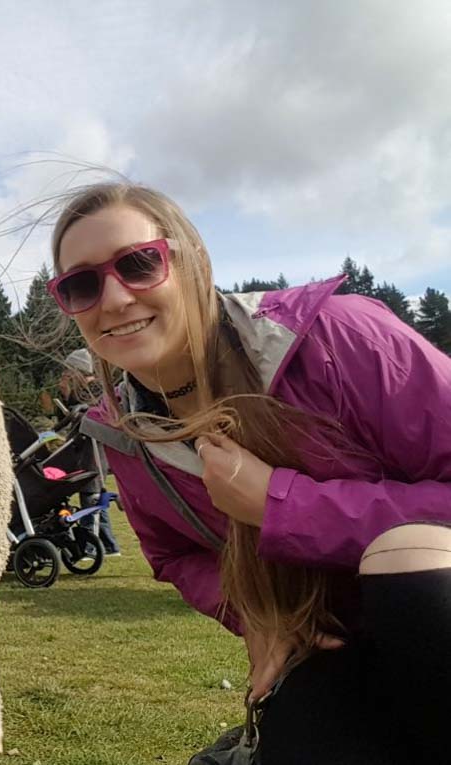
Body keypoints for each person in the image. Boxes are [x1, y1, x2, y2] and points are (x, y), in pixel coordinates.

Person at [46, 182, 451, 763]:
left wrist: (283, 506)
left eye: (138, 264)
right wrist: (255, 614)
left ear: (190, 262)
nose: (112, 299)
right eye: (81, 284)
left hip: (433, 620)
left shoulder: (338, 339)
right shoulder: (125, 435)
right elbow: (175, 557)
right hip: (327, 646)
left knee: (410, 567)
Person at [58, 348, 121, 556]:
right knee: (92, 500)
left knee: (92, 501)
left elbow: (92, 413)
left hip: (94, 454)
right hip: (83, 453)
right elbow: (67, 418)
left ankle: (92, 548)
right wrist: (67, 395)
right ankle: (110, 546)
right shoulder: (81, 391)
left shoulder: (96, 389)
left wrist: (75, 403)